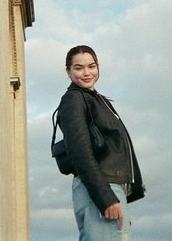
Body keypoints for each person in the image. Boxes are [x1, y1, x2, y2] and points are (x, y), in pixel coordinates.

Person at [57, 45, 145, 240]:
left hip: (109, 188)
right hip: (100, 188)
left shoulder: (98, 100)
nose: (87, 73)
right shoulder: (73, 100)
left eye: (91, 66)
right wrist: (105, 198)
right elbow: (79, 152)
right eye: (79, 68)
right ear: (68, 72)